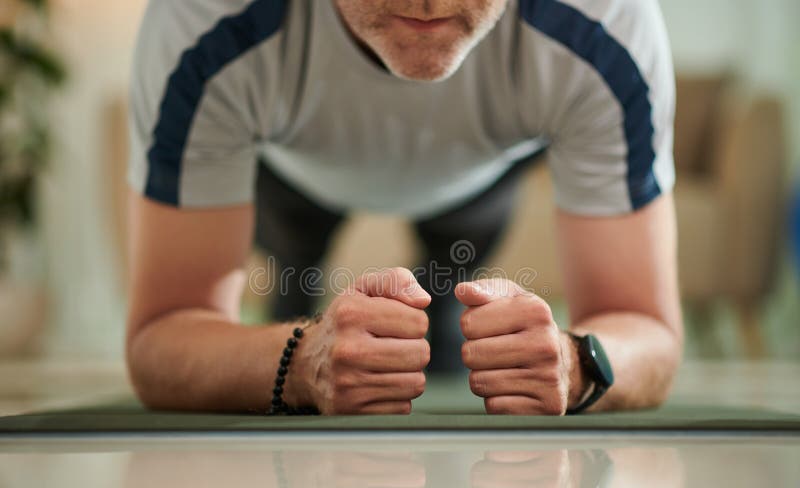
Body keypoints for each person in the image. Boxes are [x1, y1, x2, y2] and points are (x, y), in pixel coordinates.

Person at [125, 0, 683, 415]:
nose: (428, 3)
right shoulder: (203, 21)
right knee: (295, 281)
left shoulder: (605, 23)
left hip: (477, 180)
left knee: (446, 303)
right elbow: (160, 341)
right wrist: (299, 362)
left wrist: (573, 365)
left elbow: (648, 330)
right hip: (293, 178)